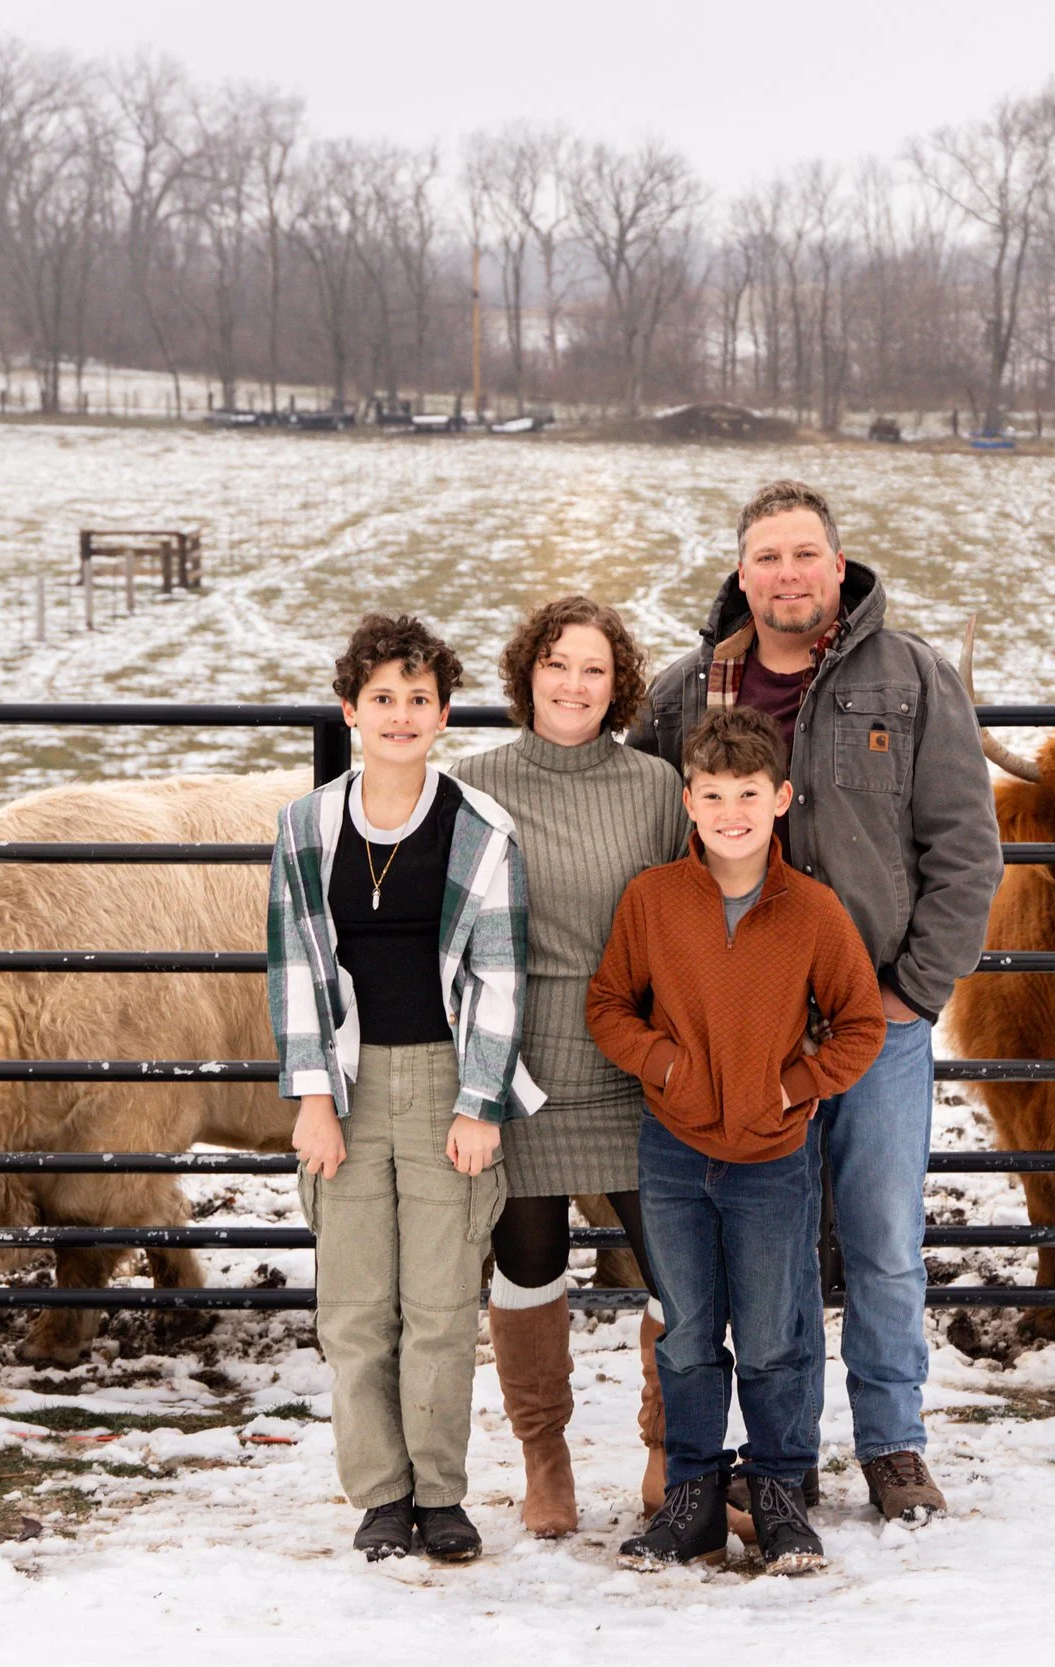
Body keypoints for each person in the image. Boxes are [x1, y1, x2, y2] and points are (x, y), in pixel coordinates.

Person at [634, 479, 1003, 1523]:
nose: (786, 573)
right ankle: (780, 1458)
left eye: (805, 553)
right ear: (740, 571)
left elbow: (966, 851)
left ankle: (892, 1441)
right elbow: (649, 845)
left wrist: (912, 990)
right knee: (769, 1248)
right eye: (766, 556)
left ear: (837, 565)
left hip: (871, 1024)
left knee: (884, 1238)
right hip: (740, 1031)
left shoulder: (913, 679)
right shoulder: (684, 693)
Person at [587, 706, 886, 1575]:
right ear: (688, 801)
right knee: (685, 1333)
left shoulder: (813, 912)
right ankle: (693, 1496)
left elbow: (861, 1023)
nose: (731, 812)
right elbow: (608, 1004)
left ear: (781, 797)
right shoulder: (654, 900)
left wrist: (793, 1086)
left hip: (772, 1158)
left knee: (772, 1334)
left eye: (748, 793)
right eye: (712, 794)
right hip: (674, 1153)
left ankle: (780, 1490)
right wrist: (666, 1067)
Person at [268, 613, 540, 1565]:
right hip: (345, 1085)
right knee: (353, 1305)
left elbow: (501, 976)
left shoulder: (479, 828)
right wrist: (311, 1097)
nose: (399, 714)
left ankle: (440, 1491)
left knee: (436, 1303)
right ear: (350, 709)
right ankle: (380, 1494)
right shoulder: (306, 828)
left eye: (417, 699)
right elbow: (295, 965)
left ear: (443, 713)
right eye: (381, 697)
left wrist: (480, 1103)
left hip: (443, 1079)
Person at [448, 596, 686, 1538]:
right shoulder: (472, 786)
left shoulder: (657, 788)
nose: (574, 684)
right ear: (526, 675)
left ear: (616, 682)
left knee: (676, 1266)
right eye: (556, 664)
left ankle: (670, 1445)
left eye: (593, 667)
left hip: (634, 1058)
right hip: (521, 1063)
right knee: (528, 1262)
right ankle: (544, 1455)